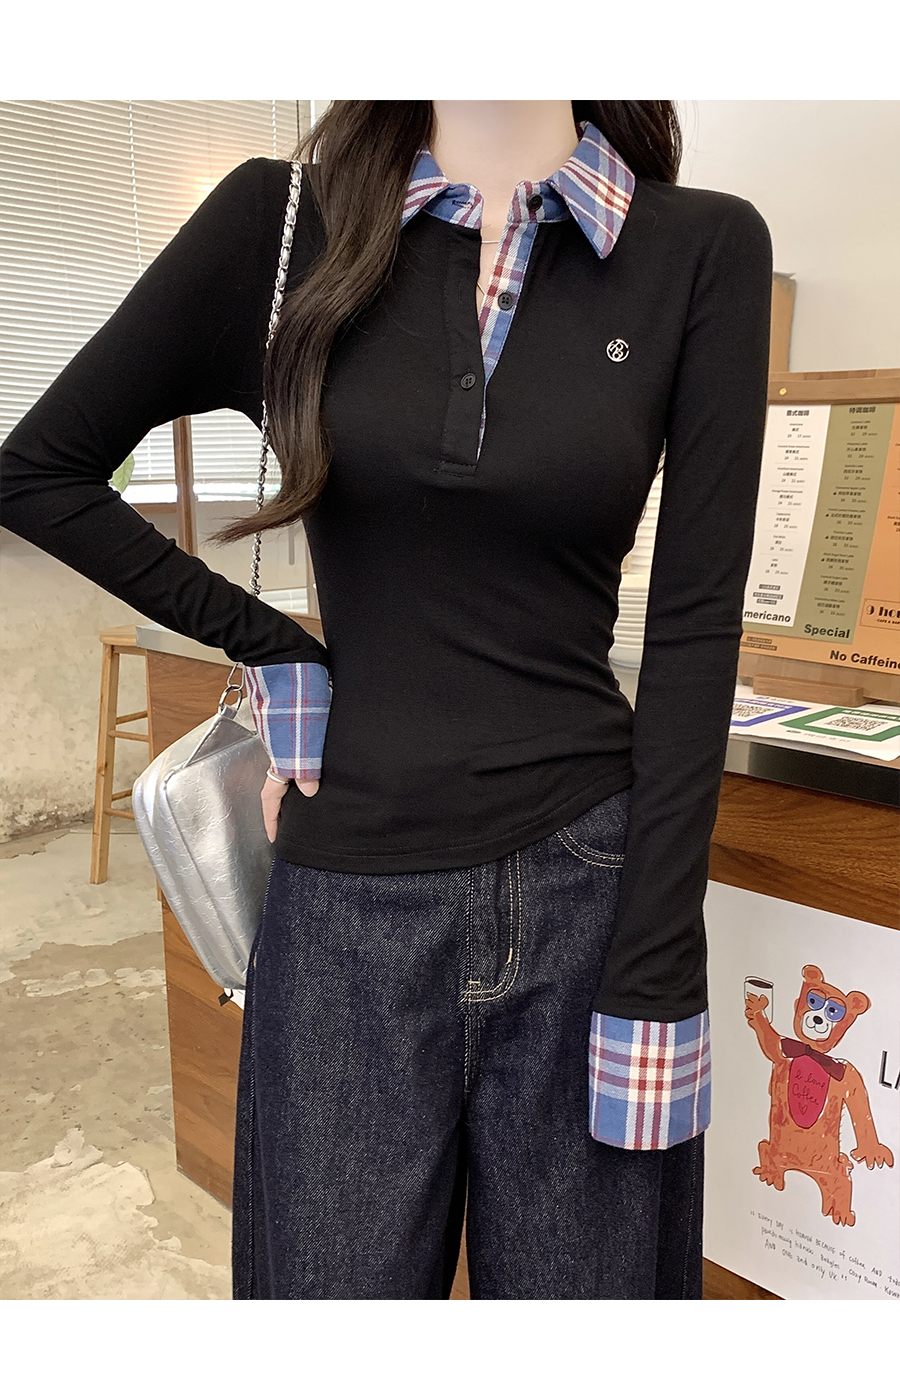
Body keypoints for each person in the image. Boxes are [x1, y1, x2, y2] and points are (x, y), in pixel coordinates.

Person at [0, 100, 773, 1299]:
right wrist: (274, 646)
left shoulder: (700, 247)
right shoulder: (283, 226)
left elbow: (694, 626)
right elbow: (39, 468)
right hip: (345, 907)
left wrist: (658, 960)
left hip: (591, 893)